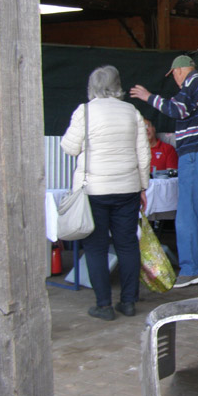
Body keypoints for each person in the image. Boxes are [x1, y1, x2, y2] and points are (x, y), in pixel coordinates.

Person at [61, 65, 150, 321]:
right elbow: (143, 155)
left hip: (94, 190)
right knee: (127, 245)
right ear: (118, 84)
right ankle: (129, 302)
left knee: (96, 247)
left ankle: (103, 305)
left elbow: (69, 147)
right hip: (128, 189)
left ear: (93, 86)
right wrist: (143, 186)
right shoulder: (131, 111)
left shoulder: (85, 111)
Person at [130, 55, 198, 288]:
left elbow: (177, 109)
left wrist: (148, 97)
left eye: (175, 76)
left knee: (187, 213)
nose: (176, 81)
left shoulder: (192, 84)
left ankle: (190, 269)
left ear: (180, 70)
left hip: (193, 154)